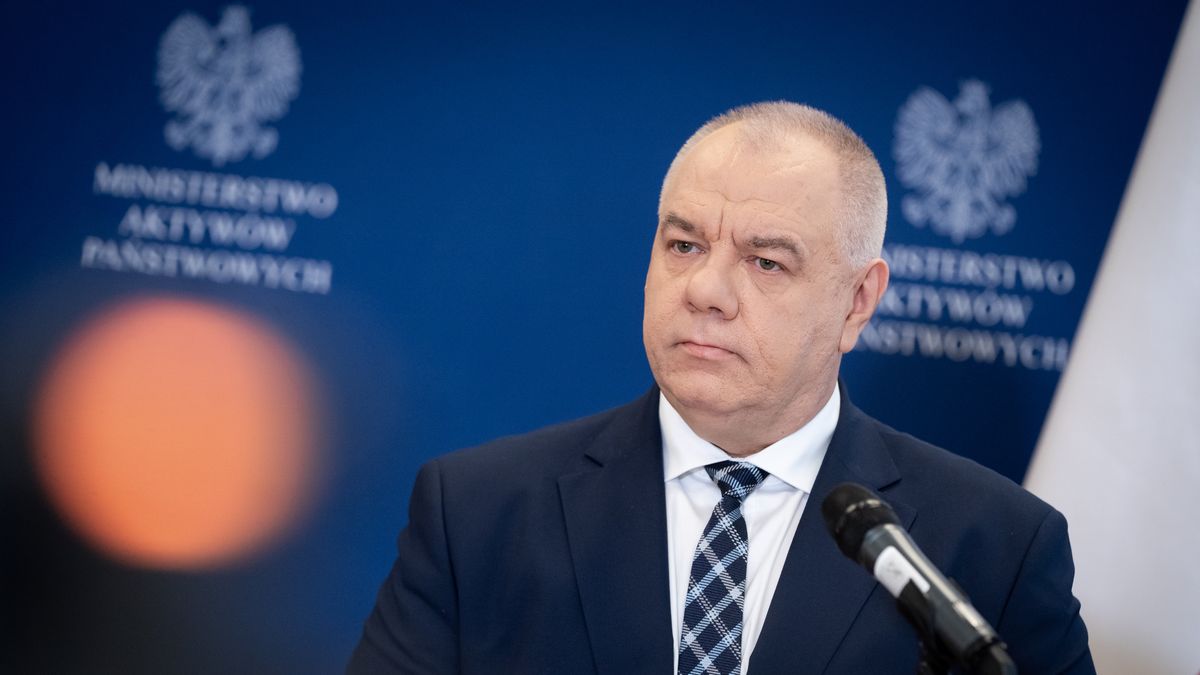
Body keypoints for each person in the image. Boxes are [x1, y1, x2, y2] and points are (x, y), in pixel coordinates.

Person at [348, 102, 1094, 674]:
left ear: (857, 302)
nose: (704, 289)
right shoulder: (476, 513)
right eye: (684, 244)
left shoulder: (995, 547)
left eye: (766, 262)